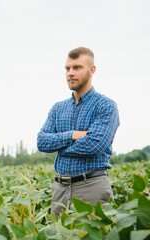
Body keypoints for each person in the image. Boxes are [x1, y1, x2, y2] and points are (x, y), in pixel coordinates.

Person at [37, 47, 120, 215]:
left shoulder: (105, 105)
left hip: (91, 186)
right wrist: (73, 135)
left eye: (77, 68)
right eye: (67, 68)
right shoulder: (58, 108)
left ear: (92, 70)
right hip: (60, 189)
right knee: (58, 234)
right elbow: (42, 142)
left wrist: (60, 147)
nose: (70, 73)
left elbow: (94, 145)